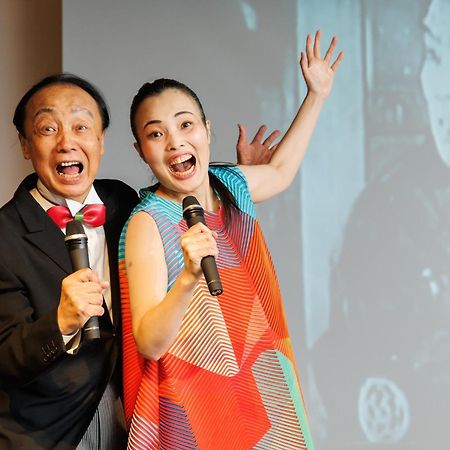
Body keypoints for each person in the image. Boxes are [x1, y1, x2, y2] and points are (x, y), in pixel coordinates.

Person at [0, 73, 271, 450]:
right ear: (26, 144)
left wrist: (225, 187)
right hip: (48, 432)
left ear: (101, 140)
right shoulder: (5, 235)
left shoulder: (123, 203)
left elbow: (183, 193)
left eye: (81, 126)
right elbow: (6, 358)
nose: (67, 143)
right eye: (48, 129)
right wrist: (60, 324)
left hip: (134, 422)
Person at [120, 30, 343, 449]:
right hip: (193, 415)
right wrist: (187, 277)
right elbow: (149, 342)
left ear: (206, 129)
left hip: (261, 393)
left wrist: (317, 95)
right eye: (156, 134)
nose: (175, 142)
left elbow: (279, 172)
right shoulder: (148, 222)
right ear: (140, 151)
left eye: (186, 124)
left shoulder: (228, 183)